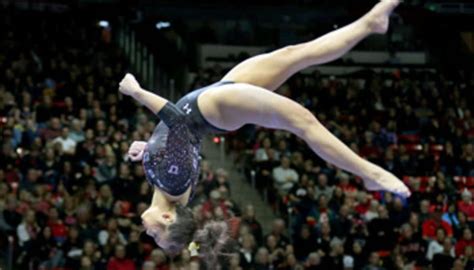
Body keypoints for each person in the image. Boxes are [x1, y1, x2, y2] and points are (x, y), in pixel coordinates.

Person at [120, 0, 411, 267]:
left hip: (212, 98)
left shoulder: (166, 185)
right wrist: (138, 92)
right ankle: (369, 174)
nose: (148, 234)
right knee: (302, 120)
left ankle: (370, 23)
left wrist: (149, 146)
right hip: (214, 108)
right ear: (168, 218)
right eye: (156, 236)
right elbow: (179, 125)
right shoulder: (172, 181)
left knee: (295, 55)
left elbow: (178, 145)